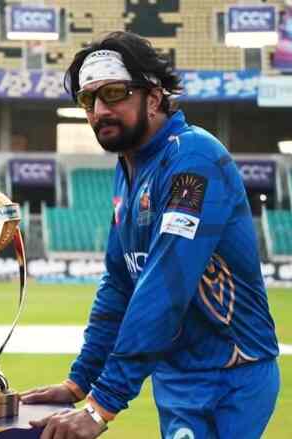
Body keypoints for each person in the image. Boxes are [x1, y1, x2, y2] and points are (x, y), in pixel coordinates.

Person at [21, 31, 279, 439]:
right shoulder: (129, 170)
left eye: (114, 93)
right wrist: (79, 382)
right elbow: (120, 285)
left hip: (229, 376)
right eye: (89, 99)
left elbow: (165, 285)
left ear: (154, 98)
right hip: (176, 374)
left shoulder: (193, 159)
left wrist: (101, 406)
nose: (99, 110)